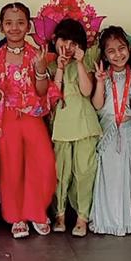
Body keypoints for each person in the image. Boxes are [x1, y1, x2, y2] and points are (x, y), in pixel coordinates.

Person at [0, 2, 58, 238]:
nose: (14, 28)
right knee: (11, 168)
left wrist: (40, 69)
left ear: (28, 26)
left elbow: (41, 91)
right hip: (7, 119)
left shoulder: (36, 54)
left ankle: (37, 211)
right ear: (1, 27)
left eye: (20, 23)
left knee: (44, 164)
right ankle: (16, 216)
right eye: (9, 23)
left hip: (32, 116)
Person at [48, 18, 101, 237]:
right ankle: (59, 214)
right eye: (64, 41)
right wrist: (60, 68)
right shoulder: (51, 65)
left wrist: (79, 63)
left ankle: (82, 217)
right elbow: (53, 98)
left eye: (73, 43)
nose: (68, 47)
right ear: (55, 40)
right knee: (60, 172)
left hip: (84, 125)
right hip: (61, 126)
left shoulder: (87, 62)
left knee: (84, 172)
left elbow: (87, 91)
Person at [90, 26, 131, 236]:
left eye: (121, 48)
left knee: (123, 176)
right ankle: (104, 221)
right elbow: (97, 105)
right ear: (104, 55)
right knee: (105, 176)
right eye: (111, 51)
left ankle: (122, 221)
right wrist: (99, 82)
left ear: (129, 49)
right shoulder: (104, 75)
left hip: (126, 130)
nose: (118, 54)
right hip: (106, 130)